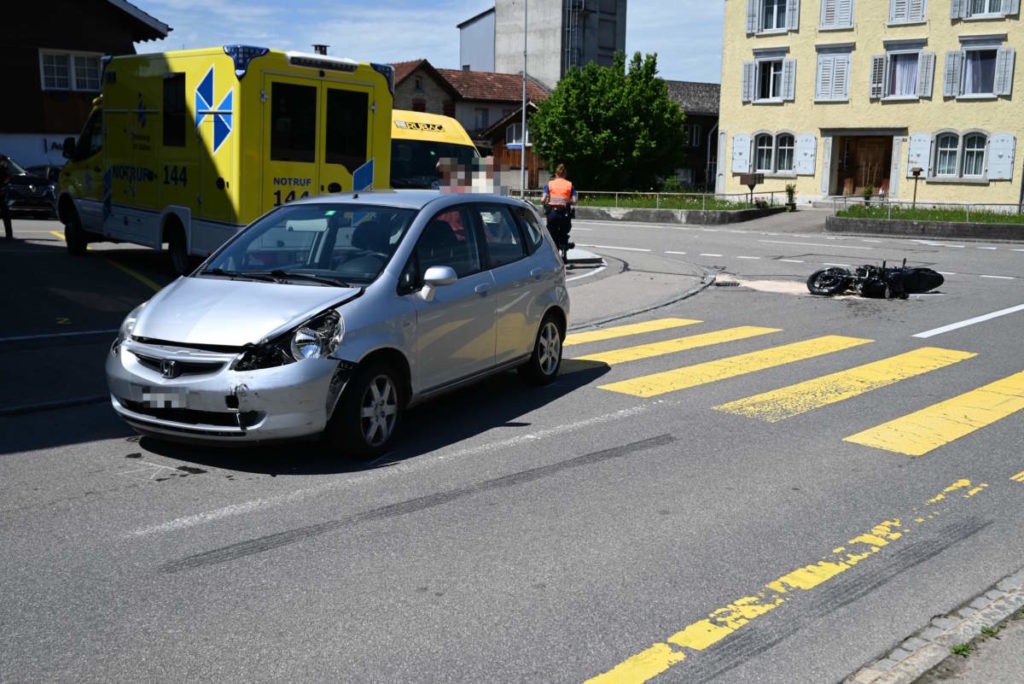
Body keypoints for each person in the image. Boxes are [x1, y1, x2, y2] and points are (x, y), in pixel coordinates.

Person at [541, 163, 577, 257]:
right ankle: (564, 246)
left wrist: (546, 203)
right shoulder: (569, 185)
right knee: (564, 231)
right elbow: (574, 201)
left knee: (552, 232)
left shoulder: (550, 184)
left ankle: (554, 251)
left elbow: (543, 199)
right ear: (565, 175)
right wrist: (567, 201)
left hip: (552, 213)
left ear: (556, 174)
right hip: (564, 213)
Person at [0, 155, 13, 239]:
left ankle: (9, 234)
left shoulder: (4, 169)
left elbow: (8, 176)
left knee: (5, 214)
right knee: (5, 214)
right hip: (2, 191)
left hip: (2, 192)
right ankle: (9, 234)